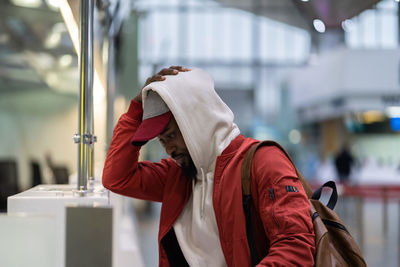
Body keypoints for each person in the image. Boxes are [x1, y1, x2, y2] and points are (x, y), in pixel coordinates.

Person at [102, 66, 315, 266]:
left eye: (172, 136)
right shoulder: (178, 175)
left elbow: (295, 248)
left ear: (196, 120)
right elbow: (117, 178)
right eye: (162, 141)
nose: (169, 149)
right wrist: (138, 110)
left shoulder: (263, 162)